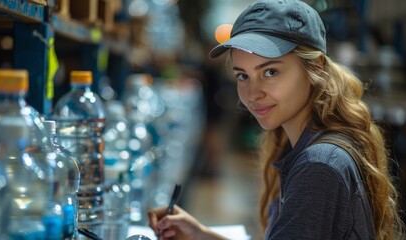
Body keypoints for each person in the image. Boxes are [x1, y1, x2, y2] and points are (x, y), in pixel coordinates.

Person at [147, 0, 405, 239]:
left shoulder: (319, 165)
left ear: (316, 67)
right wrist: (200, 234)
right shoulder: (302, 144)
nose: (253, 94)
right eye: (242, 76)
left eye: (270, 71)